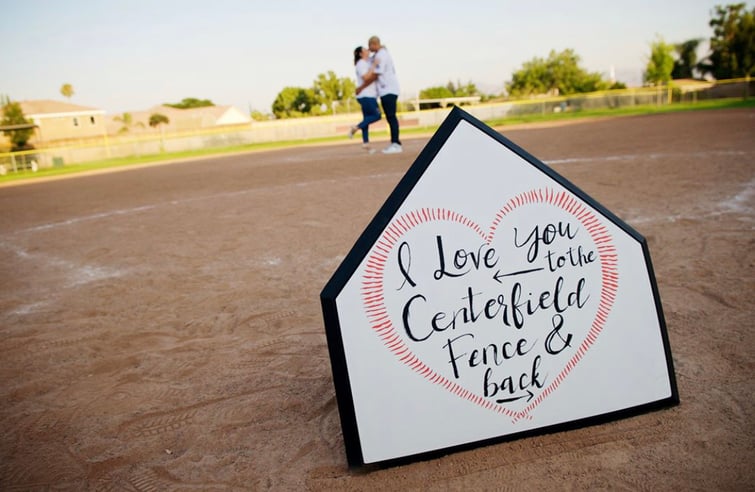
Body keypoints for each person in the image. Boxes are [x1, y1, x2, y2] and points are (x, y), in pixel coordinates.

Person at [356, 35, 402, 154]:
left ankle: (396, 143)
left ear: (374, 44)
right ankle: (395, 142)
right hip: (385, 90)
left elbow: (375, 75)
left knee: (391, 116)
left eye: (370, 46)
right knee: (389, 117)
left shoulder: (382, 55)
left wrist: (361, 87)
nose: (368, 49)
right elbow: (369, 61)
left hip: (388, 90)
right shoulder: (379, 54)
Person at [349, 46, 381, 153]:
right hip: (366, 95)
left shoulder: (365, 62)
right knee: (377, 116)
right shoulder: (361, 64)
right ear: (360, 54)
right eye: (365, 50)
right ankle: (356, 127)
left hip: (367, 95)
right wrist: (375, 66)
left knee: (367, 119)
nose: (367, 50)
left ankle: (366, 144)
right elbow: (366, 78)